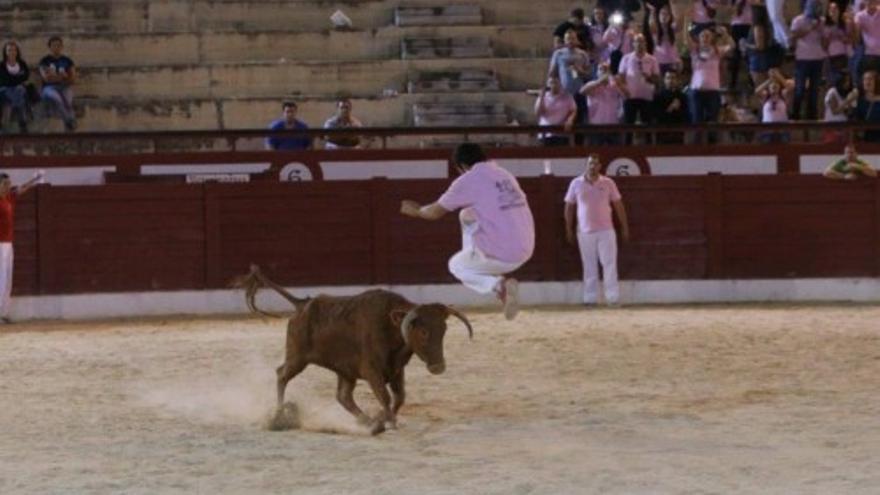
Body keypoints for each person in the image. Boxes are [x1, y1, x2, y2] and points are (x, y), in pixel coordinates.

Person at [399, 143, 535, 320]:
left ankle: (498, 285)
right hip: (527, 247)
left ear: (461, 166)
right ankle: (478, 260)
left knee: (456, 265)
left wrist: (416, 211)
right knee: (467, 214)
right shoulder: (504, 174)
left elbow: (434, 212)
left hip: (503, 255)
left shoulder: (468, 180)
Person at [564, 154, 630, 307]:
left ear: (600, 166)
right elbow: (569, 207)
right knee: (589, 265)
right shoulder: (576, 183)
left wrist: (624, 227)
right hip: (584, 231)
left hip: (606, 230)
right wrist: (568, 228)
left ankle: (612, 298)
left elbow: (618, 205)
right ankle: (590, 299)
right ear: (586, 165)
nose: (592, 166)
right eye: (590, 163)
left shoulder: (608, 183)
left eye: (595, 164)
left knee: (609, 264)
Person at [0, 171, 42, 323]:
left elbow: (20, 189)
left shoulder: (9, 198)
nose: (8, 186)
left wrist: (35, 180)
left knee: (7, 278)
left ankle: (3, 313)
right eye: (5, 183)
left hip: (7, 243)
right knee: (1, 278)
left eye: (8, 183)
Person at [616, 33, 660, 142]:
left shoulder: (652, 59)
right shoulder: (626, 58)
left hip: (646, 96)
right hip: (630, 96)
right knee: (628, 124)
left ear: (645, 43)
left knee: (647, 124)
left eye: (642, 41)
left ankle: (649, 148)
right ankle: (627, 148)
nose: (639, 44)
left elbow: (657, 80)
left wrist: (649, 77)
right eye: (637, 41)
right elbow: (620, 77)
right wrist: (624, 90)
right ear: (633, 44)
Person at [549, 30, 592, 140]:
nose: (570, 41)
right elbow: (552, 73)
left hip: (579, 92)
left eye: (573, 38)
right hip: (564, 93)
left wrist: (579, 71)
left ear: (576, 39)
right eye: (568, 39)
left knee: (579, 122)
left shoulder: (583, 54)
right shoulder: (558, 54)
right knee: (562, 121)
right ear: (565, 40)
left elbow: (589, 75)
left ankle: (579, 147)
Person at [790, 0, 828, 120]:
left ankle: (812, 116)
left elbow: (824, 41)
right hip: (802, 58)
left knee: (814, 90)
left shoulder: (822, 21)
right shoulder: (798, 20)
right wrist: (810, 27)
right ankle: (795, 114)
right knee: (800, 88)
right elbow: (793, 37)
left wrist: (821, 30)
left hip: (818, 58)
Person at [38, 36, 77, 131]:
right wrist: (63, 76)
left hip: (64, 87)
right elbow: (46, 79)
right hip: (48, 89)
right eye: (54, 45)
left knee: (68, 101)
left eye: (58, 45)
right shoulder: (44, 60)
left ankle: (68, 125)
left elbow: (72, 79)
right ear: (50, 47)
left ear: (62, 47)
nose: (56, 47)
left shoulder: (67, 60)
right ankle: (69, 121)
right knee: (57, 99)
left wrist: (55, 76)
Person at [580, 62, 625, 144]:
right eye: (600, 69)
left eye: (605, 69)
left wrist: (619, 84)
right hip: (596, 126)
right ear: (597, 72)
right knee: (596, 152)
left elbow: (628, 95)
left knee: (617, 153)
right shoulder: (592, 84)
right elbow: (582, 91)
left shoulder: (615, 85)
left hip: (613, 125)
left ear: (609, 72)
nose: (603, 71)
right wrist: (599, 82)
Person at [534, 74, 577, 146]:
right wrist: (541, 97)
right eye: (551, 83)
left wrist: (570, 120)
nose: (554, 85)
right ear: (548, 84)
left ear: (560, 83)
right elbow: (538, 113)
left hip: (561, 133)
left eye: (556, 82)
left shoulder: (567, 96)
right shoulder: (543, 96)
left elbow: (573, 110)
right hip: (546, 133)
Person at [755, 69, 794, 143]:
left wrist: (778, 76)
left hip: (782, 128)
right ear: (768, 88)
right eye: (772, 85)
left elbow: (789, 88)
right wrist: (770, 80)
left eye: (776, 85)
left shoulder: (783, 96)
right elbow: (757, 91)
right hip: (767, 128)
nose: (774, 86)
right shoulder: (766, 97)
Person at [0, 41, 31, 134]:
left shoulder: (22, 63)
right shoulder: (1, 65)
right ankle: (23, 122)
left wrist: (14, 79)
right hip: (4, 90)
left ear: (17, 51)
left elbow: (26, 76)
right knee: (18, 92)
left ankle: (6, 127)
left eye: (14, 50)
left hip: (17, 90)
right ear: (5, 52)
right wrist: (18, 78)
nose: (12, 52)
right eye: (9, 50)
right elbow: (4, 81)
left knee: (19, 90)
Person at [653, 71, 688, 144]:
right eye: (668, 78)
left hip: (678, 130)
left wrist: (678, 109)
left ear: (677, 80)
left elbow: (686, 115)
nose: (670, 80)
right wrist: (671, 108)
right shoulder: (658, 96)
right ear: (664, 80)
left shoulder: (682, 96)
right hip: (662, 131)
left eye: (673, 78)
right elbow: (656, 115)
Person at [823, 72, 858, 143]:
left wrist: (850, 106)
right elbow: (835, 111)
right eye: (845, 81)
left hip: (845, 128)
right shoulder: (832, 92)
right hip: (832, 127)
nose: (847, 83)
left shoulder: (850, 93)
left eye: (849, 81)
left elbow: (849, 113)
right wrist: (848, 101)